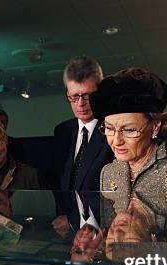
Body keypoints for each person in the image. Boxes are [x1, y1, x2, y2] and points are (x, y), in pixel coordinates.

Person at [91, 68, 167, 204]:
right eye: (109, 128)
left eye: (129, 130)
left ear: (155, 127)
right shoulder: (109, 172)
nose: (116, 141)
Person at [51, 56, 114, 237]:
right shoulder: (62, 131)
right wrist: (65, 217)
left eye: (87, 95)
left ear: (99, 92)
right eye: (73, 97)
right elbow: (58, 182)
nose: (80, 104)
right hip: (68, 230)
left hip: (105, 229)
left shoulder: (113, 130)